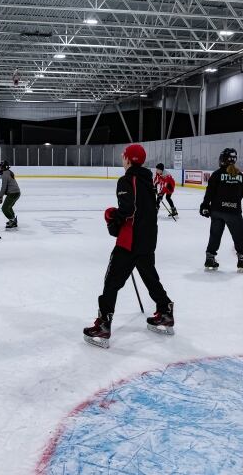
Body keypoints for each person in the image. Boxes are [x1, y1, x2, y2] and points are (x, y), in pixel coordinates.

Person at [83, 144, 175, 349]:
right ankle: (165, 311)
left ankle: (103, 325)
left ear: (128, 159)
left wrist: (111, 216)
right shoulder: (148, 180)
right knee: (150, 277)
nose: (122, 159)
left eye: (123, 156)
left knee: (111, 282)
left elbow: (127, 210)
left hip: (129, 242)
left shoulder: (126, 180)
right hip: (148, 240)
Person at [200, 148, 243, 272]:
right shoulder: (240, 175)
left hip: (217, 211)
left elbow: (210, 192)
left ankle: (210, 258)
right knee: (239, 235)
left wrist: (205, 205)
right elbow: (242, 193)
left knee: (215, 234)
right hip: (233, 211)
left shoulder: (217, 174)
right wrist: (231, 202)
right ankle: (242, 259)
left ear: (222, 159)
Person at [0, 160, 20, 229]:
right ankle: (13, 220)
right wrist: (1, 196)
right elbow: (7, 187)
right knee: (9, 207)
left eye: (0, 167)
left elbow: (3, 187)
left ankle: (12, 220)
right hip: (15, 193)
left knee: (4, 208)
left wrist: (0, 197)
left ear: (4, 167)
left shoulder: (5, 174)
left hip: (13, 193)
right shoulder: (8, 172)